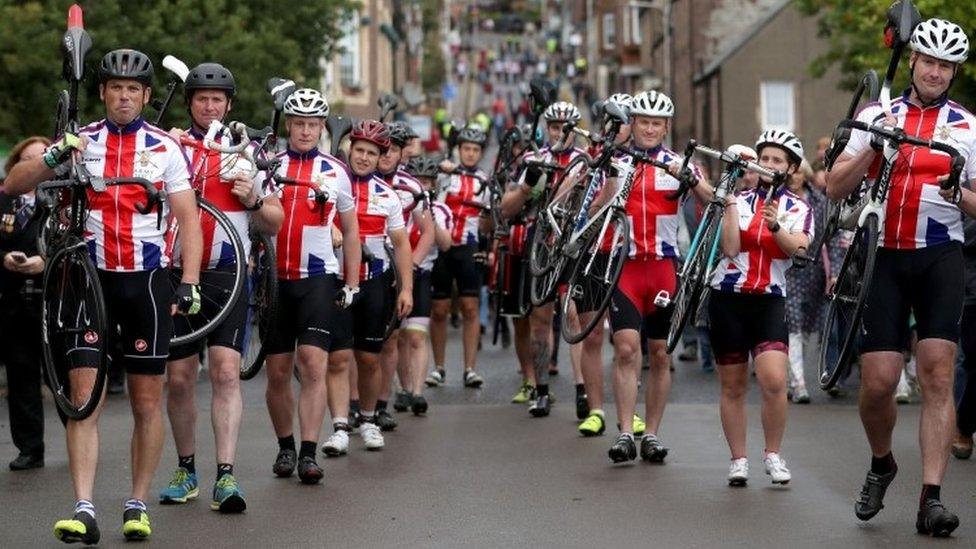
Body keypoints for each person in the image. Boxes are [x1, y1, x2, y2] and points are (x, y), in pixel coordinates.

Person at [5, 49, 204, 543]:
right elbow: (12, 184)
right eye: (115, 87)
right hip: (86, 280)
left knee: (145, 402)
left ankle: (136, 504)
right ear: (102, 92)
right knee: (82, 398)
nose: (123, 96)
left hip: (147, 283)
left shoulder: (164, 148)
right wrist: (53, 156)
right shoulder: (81, 140)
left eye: (132, 89)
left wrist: (191, 281)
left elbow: (190, 221)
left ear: (146, 96)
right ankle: (85, 507)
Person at [827, 18, 975, 536]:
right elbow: (832, 185)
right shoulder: (877, 113)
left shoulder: (968, 127)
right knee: (879, 384)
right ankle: (882, 462)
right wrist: (872, 146)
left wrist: (961, 194)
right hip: (884, 256)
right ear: (912, 61)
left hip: (940, 256)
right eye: (928, 61)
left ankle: (931, 498)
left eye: (945, 65)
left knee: (937, 370)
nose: (936, 72)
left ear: (954, 71)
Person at [159, 62, 284, 513]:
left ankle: (226, 476)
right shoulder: (170, 147)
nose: (209, 107)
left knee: (227, 372)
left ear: (229, 105)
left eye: (217, 100)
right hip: (175, 273)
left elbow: (274, 220)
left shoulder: (245, 153)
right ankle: (186, 468)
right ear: (190, 103)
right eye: (201, 99)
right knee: (178, 378)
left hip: (227, 274)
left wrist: (252, 197)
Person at [588, 90, 710, 463]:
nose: (650, 129)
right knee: (626, 349)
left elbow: (711, 205)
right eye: (644, 122)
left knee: (659, 354)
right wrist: (609, 181)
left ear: (667, 127)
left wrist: (691, 179)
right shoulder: (617, 162)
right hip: (625, 268)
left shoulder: (678, 163)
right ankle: (626, 431)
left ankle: (652, 434)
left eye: (657, 123)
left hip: (663, 268)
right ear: (633, 124)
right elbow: (595, 211)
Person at [263, 88, 361, 484]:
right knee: (277, 373)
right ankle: (285, 446)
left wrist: (351, 282)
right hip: (273, 280)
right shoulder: (268, 165)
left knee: (314, 365)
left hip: (317, 278)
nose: (305, 131)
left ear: (322, 127)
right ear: (288, 125)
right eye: (299, 124)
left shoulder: (336, 170)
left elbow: (351, 232)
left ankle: (307, 452)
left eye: (313, 125)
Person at [710, 129, 812, 487]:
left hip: (769, 298)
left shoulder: (799, 207)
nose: (769, 165)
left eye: (777, 160)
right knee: (733, 386)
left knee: (774, 381)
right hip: (727, 297)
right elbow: (731, 248)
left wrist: (774, 225)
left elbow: (797, 250)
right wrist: (731, 205)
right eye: (764, 158)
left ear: (791, 168)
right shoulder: (739, 198)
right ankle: (738, 460)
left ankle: (772, 454)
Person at [328, 120, 412, 452]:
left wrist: (405, 289)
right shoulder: (333, 183)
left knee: (369, 359)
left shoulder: (387, 195)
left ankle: (368, 419)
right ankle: (338, 426)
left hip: (374, 282)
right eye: (359, 150)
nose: (363, 157)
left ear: (381, 157)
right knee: (337, 359)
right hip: (335, 281)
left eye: (371, 153)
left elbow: (402, 244)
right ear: (350, 150)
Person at [499, 101, 587, 416]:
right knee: (540, 320)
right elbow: (506, 209)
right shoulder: (535, 159)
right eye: (554, 127)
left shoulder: (585, 160)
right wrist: (526, 187)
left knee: (575, 317)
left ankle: (582, 390)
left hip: (576, 244)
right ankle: (541, 389)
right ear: (546, 128)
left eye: (566, 128)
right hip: (542, 244)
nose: (560, 133)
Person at [376, 122, 433, 429]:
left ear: (401, 153)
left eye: (394, 149)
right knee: (358, 345)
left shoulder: (412, 186)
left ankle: (384, 403)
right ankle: (357, 406)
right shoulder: (356, 179)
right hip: (366, 268)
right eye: (382, 149)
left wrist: (410, 265)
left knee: (392, 339)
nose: (387, 155)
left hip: (399, 270)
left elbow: (428, 232)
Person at [0, 136, 50, 471]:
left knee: (68, 373)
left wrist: (45, 262)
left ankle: (83, 434)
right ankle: (30, 447)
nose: (33, 165)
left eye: (41, 159)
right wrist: (5, 258)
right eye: (26, 159)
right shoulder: (4, 201)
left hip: (57, 300)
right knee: (21, 375)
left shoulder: (63, 199)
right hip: (15, 300)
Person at [429, 126, 490, 388]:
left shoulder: (484, 181)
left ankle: (470, 369)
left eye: (475, 150)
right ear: (459, 149)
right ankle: (439, 368)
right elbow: (427, 182)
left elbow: (488, 224)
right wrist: (439, 167)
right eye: (466, 148)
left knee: (470, 307)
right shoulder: (446, 174)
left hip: (469, 246)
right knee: (440, 309)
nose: (470, 154)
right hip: (442, 247)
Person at [783, 159, 828, 404]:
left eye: (800, 172)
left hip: (813, 271)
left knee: (808, 327)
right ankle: (799, 383)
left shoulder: (819, 202)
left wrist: (832, 273)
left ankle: (794, 376)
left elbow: (828, 237)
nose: (796, 176)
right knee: (794, 326)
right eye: (793, 172)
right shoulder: (779, 200)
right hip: (787, 270)